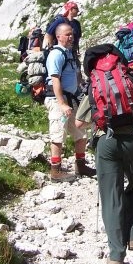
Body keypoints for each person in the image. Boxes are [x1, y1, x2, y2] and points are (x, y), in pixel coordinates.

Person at [75, 46, 133, 264]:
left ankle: (116, 255)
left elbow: (79, 123)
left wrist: (100, 119)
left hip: (106, 143)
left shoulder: (94, 83)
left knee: (111, 196)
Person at [44, 23, 95, 182]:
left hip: (71, 99)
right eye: (67, 34)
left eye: (72, 34)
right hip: (59, 101)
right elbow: (55, 80)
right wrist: (62, 104)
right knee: (58, 133)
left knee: (81, 132)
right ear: (58, 36)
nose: (71, 37)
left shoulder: (70, 54)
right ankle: (55, 171)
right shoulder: (56, 55)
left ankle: (80, 166)